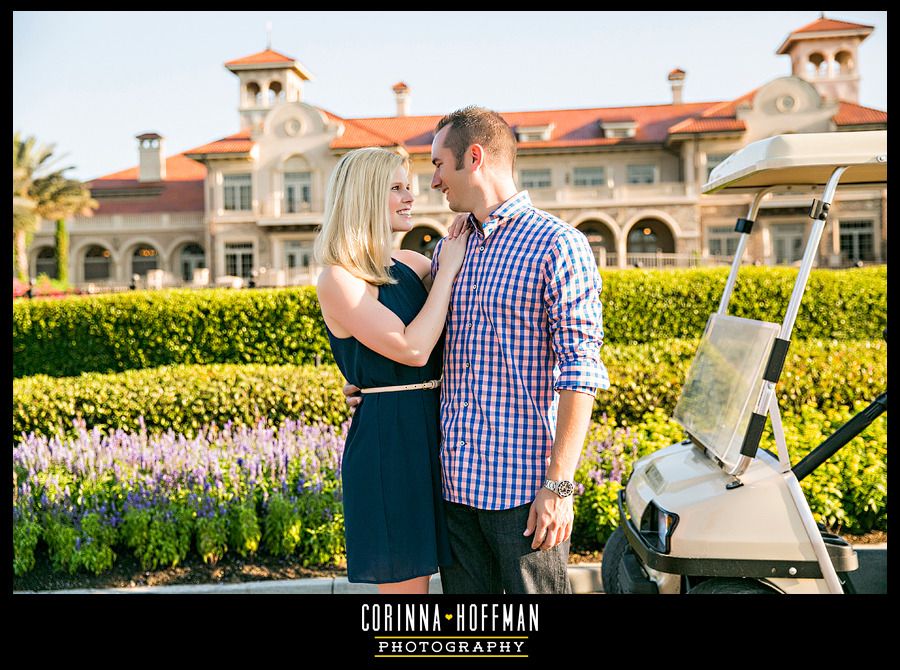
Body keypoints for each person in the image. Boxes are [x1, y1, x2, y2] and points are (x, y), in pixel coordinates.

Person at [345, 106, 609, 594]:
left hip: (524, 494)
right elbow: (423, 348)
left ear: (473, 157)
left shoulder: (558, 245)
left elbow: (580, 372)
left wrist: (559, 486)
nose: (434, 182)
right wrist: (370, 385)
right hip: (453, 487)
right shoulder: (449, 250)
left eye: (438, 166)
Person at [314, 147, 470, 594]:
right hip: (389, 442)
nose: (410, 198)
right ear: (364, 195)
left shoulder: (417, 265)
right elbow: (413, 348)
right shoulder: (339, 278)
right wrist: (448, 273)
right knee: (407, 595)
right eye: (397, 188)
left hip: (442, 431)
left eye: (411, 188)